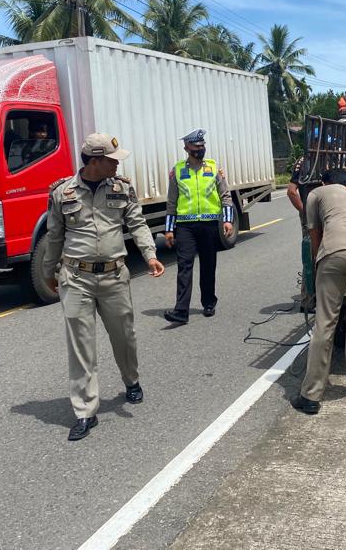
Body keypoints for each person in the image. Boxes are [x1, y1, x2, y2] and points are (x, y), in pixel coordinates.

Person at [44, 133, 166, 441]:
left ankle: (131, 380)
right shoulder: (62, 192)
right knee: (81, 346)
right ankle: (85, 410)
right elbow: (55, 235)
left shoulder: (122, 187)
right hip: (76, 277)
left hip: (114, 276)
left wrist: (150, 255)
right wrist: (49, 271)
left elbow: (136, 223)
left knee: (124, 335)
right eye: (112, 159)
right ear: (95, 161)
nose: (117, 163)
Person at [291, 169, 346, 415]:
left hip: (336, 254)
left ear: (324, 182)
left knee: (326, 322)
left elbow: (315, 235)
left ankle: (311, 395)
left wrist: (316, 267)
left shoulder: (316, 193)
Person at [163, 129, 234, 324]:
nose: (200, 149)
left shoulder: (213, 168)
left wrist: (227, 220)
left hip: (210, 224)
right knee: (184, 266)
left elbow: (225, 196)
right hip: (185, 226)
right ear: (187, 148)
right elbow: (171, 202)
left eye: (202, 146)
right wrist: (169, 230)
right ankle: (181, 310)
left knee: (208, 264)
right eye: (196, 147)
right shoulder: (177, 170)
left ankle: (209, 302)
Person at [286, 155, 315, 313]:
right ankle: (308, 300)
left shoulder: (326, 157)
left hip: (322, 213)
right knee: (311, 256)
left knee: (314, 256)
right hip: (315, 216)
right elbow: (291, 191)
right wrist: (306, 211)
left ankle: (311, 298)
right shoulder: (305, 162)